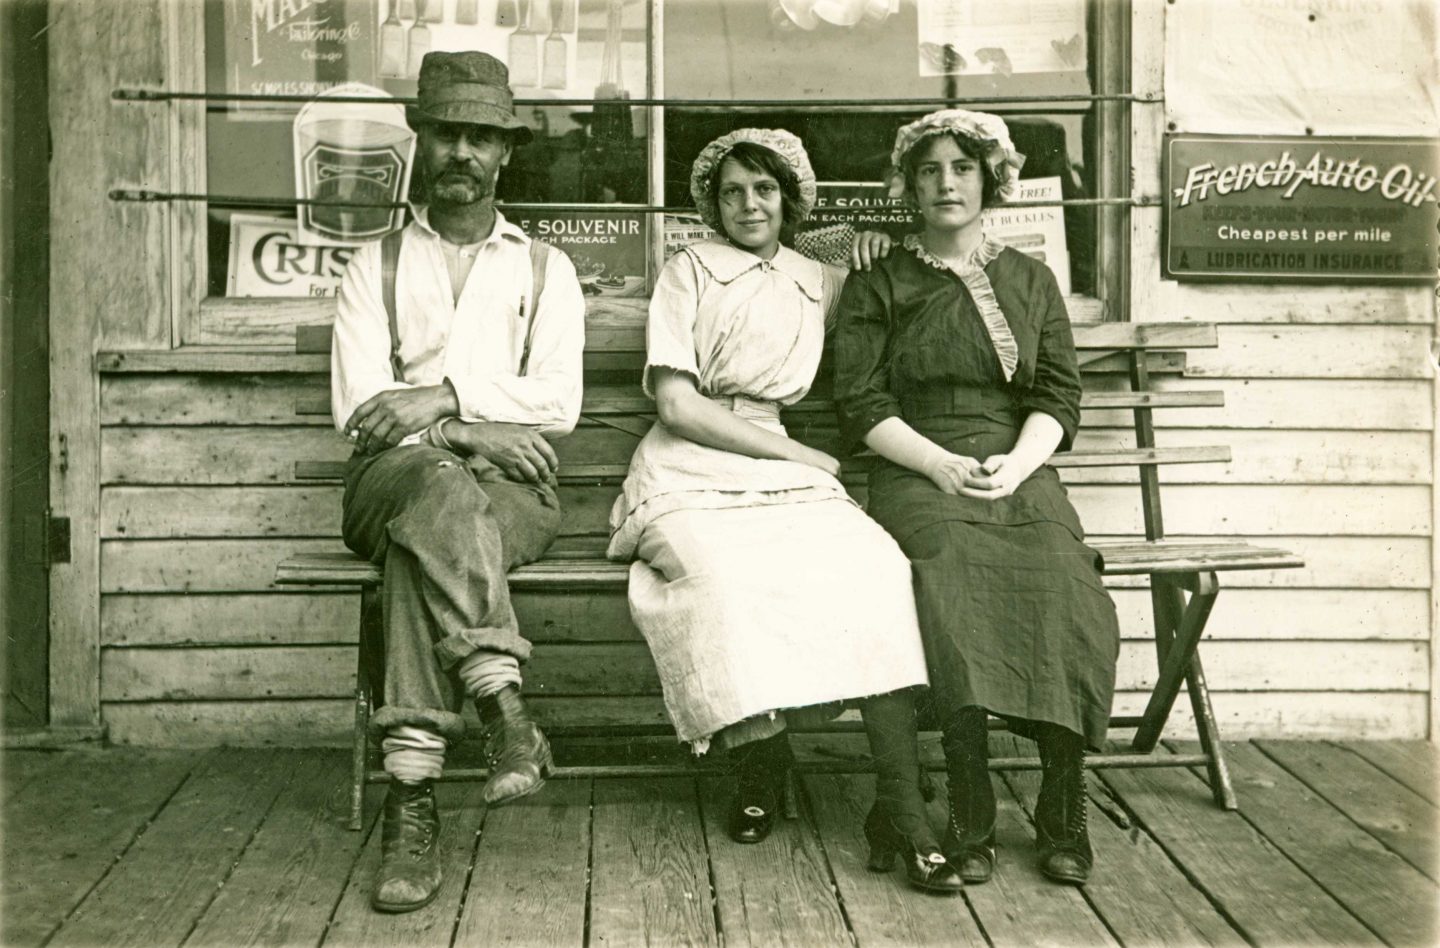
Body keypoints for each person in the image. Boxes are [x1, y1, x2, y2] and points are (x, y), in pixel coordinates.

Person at [607, 128, 961, 893]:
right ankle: (761, 769)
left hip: (777, 459)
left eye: (764, 189)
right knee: (725, 584)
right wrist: (804, 457)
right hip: (692, 462)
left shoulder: (818, 276)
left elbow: (911, 275)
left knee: (876, 571)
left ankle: (903, 805)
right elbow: (675, 404)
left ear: (790, 198)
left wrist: (871, 239)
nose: (748, 205)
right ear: (712, 202)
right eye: (731, 191)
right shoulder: (688, 269)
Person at [832, 110, 1122, 887]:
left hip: (1017, 465)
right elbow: (859, 402)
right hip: (918, 466)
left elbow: (1059, 395)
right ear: (909, 186)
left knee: (1066, 578)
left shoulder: (1031, 278)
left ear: (991, 179)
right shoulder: (878, 278)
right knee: (949, 576)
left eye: (962, 168)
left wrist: (1019, 465)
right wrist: (938, 465)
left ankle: (1065, 808)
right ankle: (970, 809)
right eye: (929, 171)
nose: (946, 183)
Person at [330, 51, 585, 913]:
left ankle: (411, 806)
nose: (462, 153)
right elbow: (364, 412)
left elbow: (558, 401)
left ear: (505, 153)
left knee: (419, 552)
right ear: (423, 142)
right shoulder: (375, 267)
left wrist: (437, 400)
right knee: (434, 489)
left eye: (481, 137)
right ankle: (503, 710)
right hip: (390, 481)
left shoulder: (545, 269)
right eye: (448, 134)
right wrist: (470, 428)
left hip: (514, 495)